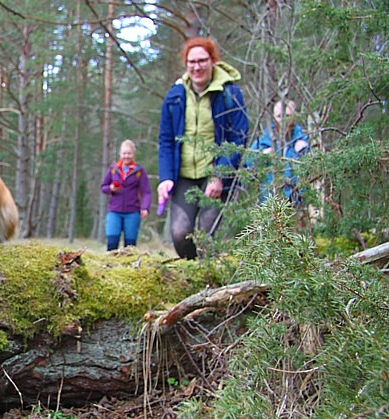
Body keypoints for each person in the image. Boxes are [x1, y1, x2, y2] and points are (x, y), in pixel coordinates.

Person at [157, 36, 249, 260]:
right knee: (180, 234)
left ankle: (208, 280)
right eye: (191, 62)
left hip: (215, 177)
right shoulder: (175, 96)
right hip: (184, 176)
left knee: (208, 235)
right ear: (186, 64)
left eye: (202, 60)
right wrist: (166, 177)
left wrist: (220, 175)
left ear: (212, 61)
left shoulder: (230, 95)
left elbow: (239, 138)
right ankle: (193, 275)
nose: (196, 67)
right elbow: (166, 140)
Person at [249, 99, 310, 202]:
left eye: (287, 116)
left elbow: (312, 171)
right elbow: (248, 162)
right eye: (279, 116)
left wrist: (303, 152)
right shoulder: (264, 141)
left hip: (296, 203)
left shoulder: (304, 141)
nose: (283, 120)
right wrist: (263, 155)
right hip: (268, 203)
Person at [100, 140, 152, 251]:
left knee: (130, 246)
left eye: (129, 153)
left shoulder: (139, 171)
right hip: (115, 211)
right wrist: (111, 188)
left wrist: (145, 207)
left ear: (133, 154)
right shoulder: (113, 169)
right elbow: (103, 187)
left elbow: (146, 191)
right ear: (120, 154)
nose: (126, 156)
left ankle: (128, 266)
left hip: (133, 212)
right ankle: (110, 266)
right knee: (112, 241)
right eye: (124, 153)